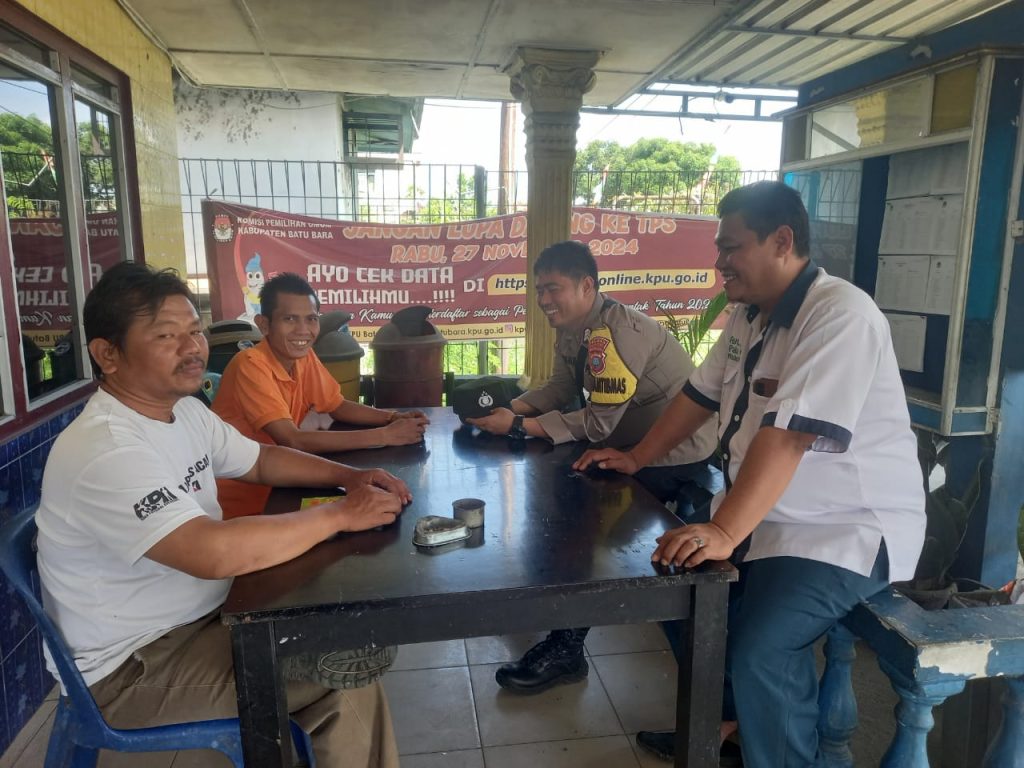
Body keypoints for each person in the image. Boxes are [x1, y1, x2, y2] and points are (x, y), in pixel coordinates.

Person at [576, 181, 926, 767]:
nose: (720, 262)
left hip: (843, 529)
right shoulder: (750, 316)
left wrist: (723, 531)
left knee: (764, 649)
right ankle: (732, 723)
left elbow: (789, 436)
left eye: (731, 247)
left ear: (782, 241)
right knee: (677, 590)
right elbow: (699, 394)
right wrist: (637, 457)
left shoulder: (840, 315)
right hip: (768, 517)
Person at [35, 262, 410, 768]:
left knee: (338, 647)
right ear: (108, 354)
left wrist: (350, 478)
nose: (192, 348)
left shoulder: (184, 411)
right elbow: (210, 553)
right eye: (166, 335)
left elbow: (261, 459)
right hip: (134, 666)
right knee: (340, 674)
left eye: (194, 331)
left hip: (210, 614)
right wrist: (340, 515)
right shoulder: (105, 448)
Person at [469, 240, 721, 694]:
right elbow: (559, 388)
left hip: (676, 455)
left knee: (586, 523)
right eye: (539, 290)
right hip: (625, 445)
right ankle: (555, 599)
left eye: (553, 289)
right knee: (555, 490)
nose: (544, 300)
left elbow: (596, 421)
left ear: (587, 286)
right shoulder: (577, 328)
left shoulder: (616, 333)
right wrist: (506, 411)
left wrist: (518, 426)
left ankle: (567, 647)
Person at [213, 272, 429, 519]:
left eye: (311, 319)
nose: (303, 330)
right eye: (290, 319)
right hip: (243, 506)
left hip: (283, 483)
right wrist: (385, 436)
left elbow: (336, 405)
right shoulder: (250, 365)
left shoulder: (302, 357)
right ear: (264, 324)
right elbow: (293, 440)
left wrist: (391, 417)